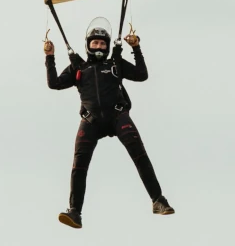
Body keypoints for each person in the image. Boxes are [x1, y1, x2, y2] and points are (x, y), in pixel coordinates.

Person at [44, 16, 174, 229]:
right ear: (88, 45)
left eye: (102, 44)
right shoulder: (79, 67)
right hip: (91, 121)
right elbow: (54, 83)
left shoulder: (115, 64)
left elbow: (141, 75)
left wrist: (136, 48)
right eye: (95, 43)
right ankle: (75, 212)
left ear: (107, 46)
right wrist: (50, 57)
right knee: (79, 165)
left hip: (117, 116)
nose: (99, 47)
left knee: (139, 155)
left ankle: (158, 200)